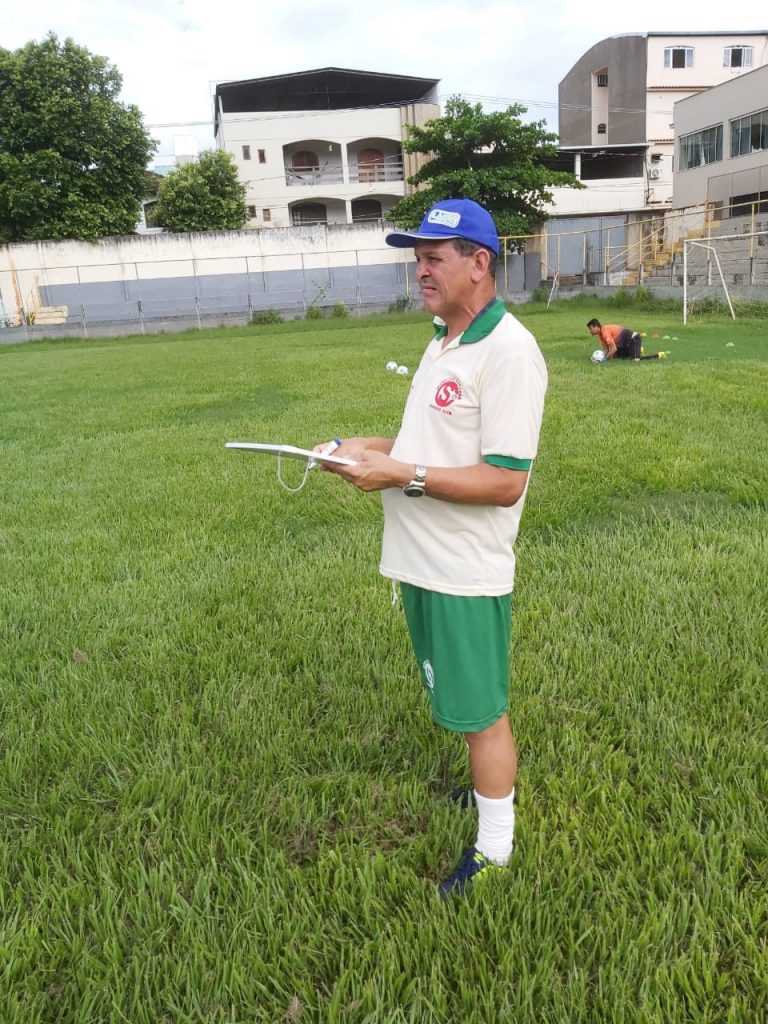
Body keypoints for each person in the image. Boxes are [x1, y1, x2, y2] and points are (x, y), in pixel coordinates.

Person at [317, 198, 547, 898]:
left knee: (482, 714)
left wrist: (401, 472)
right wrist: (367, 448)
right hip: (422, 560)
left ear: (480, 263)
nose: (420, 270)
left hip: (463, 569)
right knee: (458, 700)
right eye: (416, 258)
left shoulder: (510, 353)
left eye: (433, 258)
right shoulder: (442, 339)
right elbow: (426, 447)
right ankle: (485, 793)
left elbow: (506, 481)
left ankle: (495, 847)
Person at [586, 318, 669, 361]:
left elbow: (614, 348)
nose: (589, 331)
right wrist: (598, 358)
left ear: (596, 327)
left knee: (636, 360)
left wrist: (604, 360)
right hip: (625, 345)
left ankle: (659, 355)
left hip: (634, 339)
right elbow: (606, 349)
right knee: (616, 357)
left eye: (590, 328)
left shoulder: (605, 332)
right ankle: (638, 351)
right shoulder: (600, 335)